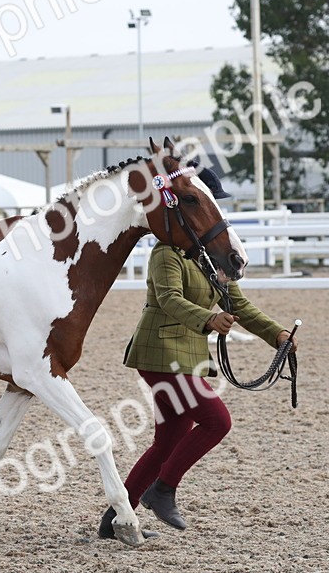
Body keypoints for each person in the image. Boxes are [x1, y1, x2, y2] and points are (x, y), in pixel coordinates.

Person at [100, 165, 298, 536]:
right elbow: (169, 299)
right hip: (160, 352)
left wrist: (276, 334)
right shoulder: (165, 254)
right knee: (217, 420)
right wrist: (208, 320)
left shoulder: (209, 259)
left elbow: (238, 304)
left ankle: (115, 520)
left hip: (187, 355)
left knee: (169, 440)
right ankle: (163, 491)